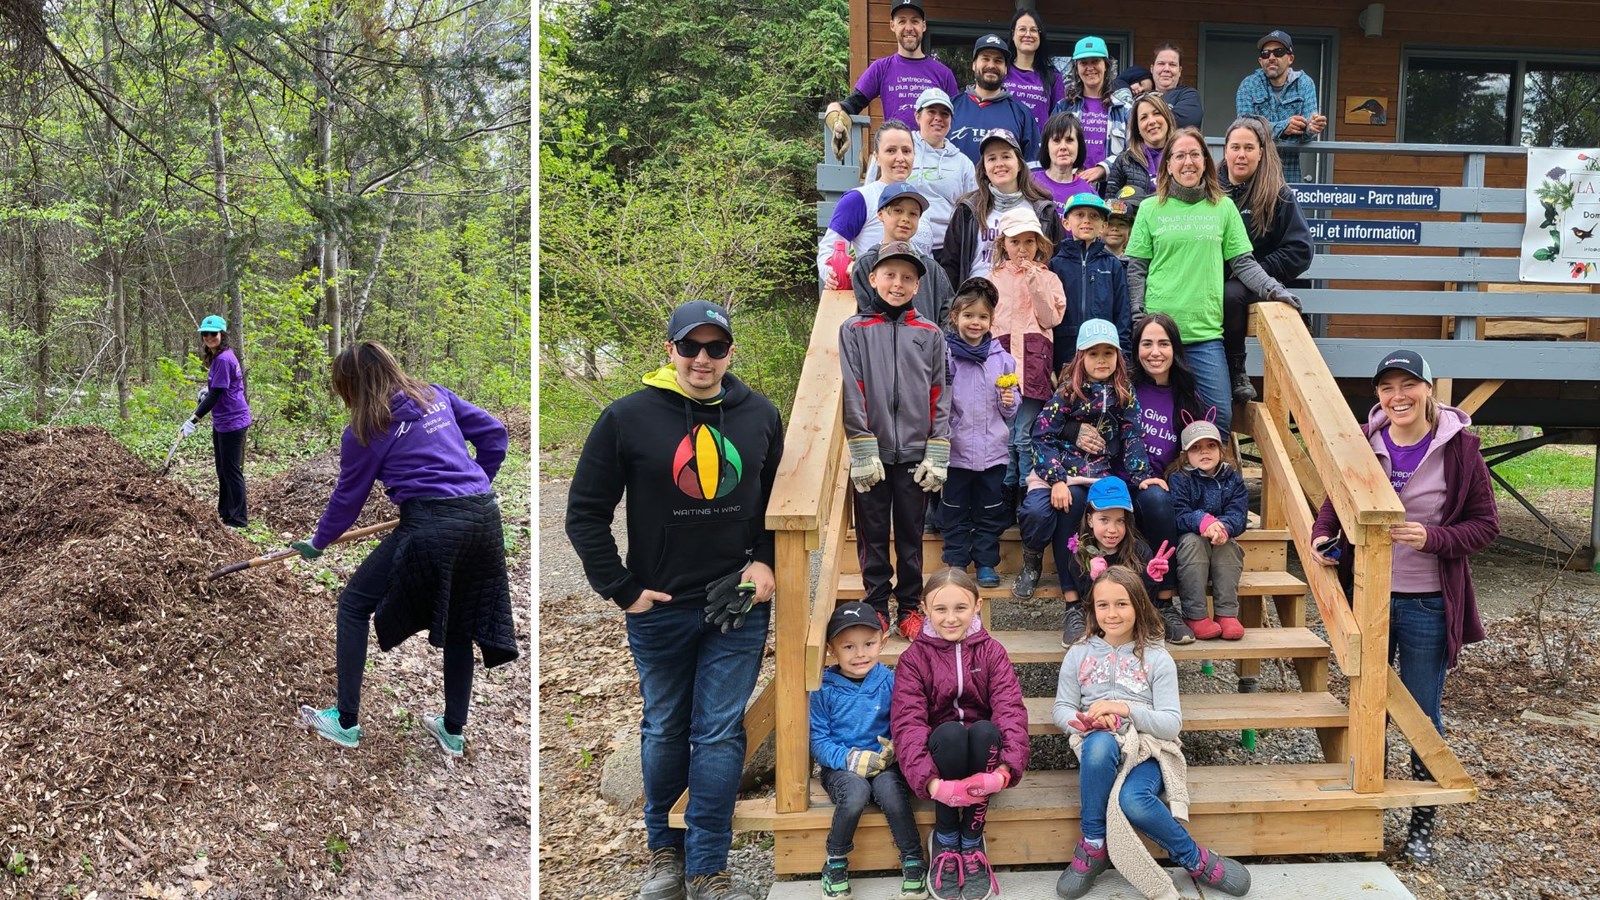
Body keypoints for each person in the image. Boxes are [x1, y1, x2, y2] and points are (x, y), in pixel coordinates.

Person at [565, 301, 783, 900]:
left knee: (717, 733)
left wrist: (765, 560)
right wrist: (621, 588)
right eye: (690, 347)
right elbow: (584, 513)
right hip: (659, 606)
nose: (702, 359)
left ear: (730, 352)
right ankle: (665, 854)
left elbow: (776, 501)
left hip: (737, 604)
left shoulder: (761, 415)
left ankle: (709, 868)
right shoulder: (627, 417)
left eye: (716, 347)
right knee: (664, 727)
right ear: (670, 350)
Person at [1309, 350, 1498, 866]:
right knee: (1365, 706)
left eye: (1408, 384)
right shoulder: (1362, 442)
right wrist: (1323, 535)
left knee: (1421, 713)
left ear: (1428, 389)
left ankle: (1421, 821)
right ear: (1378, 395)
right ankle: (1362, 812)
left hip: (1428, 604)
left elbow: (1486, 524)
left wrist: (1433, 537)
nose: (1398, 396)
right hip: (1367, 596)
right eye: (1387, 387)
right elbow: (1334, 502)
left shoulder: (1460, 449)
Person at [293, 341, 515, 753]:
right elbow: (494, 435)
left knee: (353, 604)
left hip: (432, 522)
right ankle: (452, 731)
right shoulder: (435, 396)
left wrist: (319, 541)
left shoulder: (365, 432)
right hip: (483, 517)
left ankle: (345, 722)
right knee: (460, 620)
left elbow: (348, 499)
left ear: (350, 386)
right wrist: (474, 486)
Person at [1054, 568, 1253, 899]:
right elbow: (1061, 707)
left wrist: (1126, 709)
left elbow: (1171, 723)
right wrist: (1084, 720)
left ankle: (1194, 858)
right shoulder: (1079, 653)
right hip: (1097, 748)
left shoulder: (1157, 658)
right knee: (1100, 744)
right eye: (1103, 605)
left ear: (1138, 605)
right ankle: (1093, 843)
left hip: (1147, 749)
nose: (1112, 613)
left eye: (1121, 604)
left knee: (1133, 800)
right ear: (1092, 609)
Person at [1125, 127, 1300, 435]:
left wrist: (1274, 289)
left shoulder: (1223, 207)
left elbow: (1243, 263)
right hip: (1159, 334)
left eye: (1195, 154)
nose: (1188, 162)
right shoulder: (1151, 208)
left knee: (1218, 416)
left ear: (1206, 161)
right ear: (1168, 165)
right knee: (1152, 420)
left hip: (1204, 333)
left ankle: (1205, 467)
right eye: (1180, 155)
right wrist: (1139, 316)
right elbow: (1137, 268)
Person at [890, 567, 1029, 900]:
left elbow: (1010, 711)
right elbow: (908, 724)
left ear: (977, 606)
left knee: (985, 730)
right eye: (940, 609)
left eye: (960, 608)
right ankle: (946, 838)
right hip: (942, 759)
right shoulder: (914, 659)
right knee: (950, 733)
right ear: (925, 608)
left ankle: (972, 837)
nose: (951, 618)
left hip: (985, 759)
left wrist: (1004, 771)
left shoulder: (992, 652)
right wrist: (932, 784)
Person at [842, 241, 951, 639]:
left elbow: (940, 391)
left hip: (915, 454)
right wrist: (861, 446)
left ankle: (908, 605)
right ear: (873, 278)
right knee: (872, 532)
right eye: (890, 275)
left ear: (918, 285)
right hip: (872, 452)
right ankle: (875, 604)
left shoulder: (930, 333)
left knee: (910, 533)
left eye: (907, 277)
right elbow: (853, 387)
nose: (898, 284)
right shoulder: (854, 329)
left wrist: (938, 449)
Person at [1014, 320, 1157, 601]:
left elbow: (1132, 436)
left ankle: (1103, 580)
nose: (1101, 360)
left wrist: (1141, 476)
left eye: (1108, 353)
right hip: (1056, 471)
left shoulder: (1124, 394)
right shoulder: (1068, 392)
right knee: (1036, 512)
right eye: (1093, 353)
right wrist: (1056, 480)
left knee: (1101, 512)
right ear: (1081, 356)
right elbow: (1042, 435)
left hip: (1097, 474)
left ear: (1118, 356)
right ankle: (1032, 559)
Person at [811, 601, 927, 900]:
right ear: (831, 650)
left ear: (882, 643)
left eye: (868, 644)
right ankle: (835, 861)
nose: (860, 653)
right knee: (856, 793)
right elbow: (819, 740)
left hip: (885, 762)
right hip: (842, 767)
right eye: (848, 646)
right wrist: (848, 758)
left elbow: (907, 721)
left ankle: (913, 859)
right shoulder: (823, 689)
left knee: (891, 790)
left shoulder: (891, 681)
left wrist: (897, 749)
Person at [1220, 115, 1314, 403]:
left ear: (1261, 153)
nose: (1241, 154)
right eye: (1235, 147)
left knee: (1231, 293)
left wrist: (1259, 271)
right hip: (1210, 277)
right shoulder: (1208, 192)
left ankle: (1236, 370)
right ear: (1225, 150)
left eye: (1249, 148)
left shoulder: (1278, 194)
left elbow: (1300, 249)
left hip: (1255, 283)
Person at [1127, 313, 1205, 644]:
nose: (1155, 352)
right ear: (1136, 349)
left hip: (1160, 490)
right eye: (1147, 344)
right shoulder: (1123, 387)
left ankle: (1165, 602)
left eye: (1163, 343)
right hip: (1119, 483)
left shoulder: (1186, 397)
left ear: (1175, 349)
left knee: (1160, 499)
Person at [986, 204, 1065, 516]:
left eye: (1029, 241)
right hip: (1003, 364)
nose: (1022, 248)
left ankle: (1026, 489)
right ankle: (1005, 492)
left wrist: (1035, 285)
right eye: (1015, 241)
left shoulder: (1049, 277)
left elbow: (1050, 318)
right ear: (1003, 243)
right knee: (1005, 433)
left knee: (1025, 433)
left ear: (1038, 243)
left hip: (1034, 364)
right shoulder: (994, 278)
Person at [940, 278, 1016, 589]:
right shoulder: (945, 356)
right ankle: (957, 562)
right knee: (954, 509)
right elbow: (938, 400)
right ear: (954, 316)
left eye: (983, 317)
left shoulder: (1001, 358)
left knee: (989, 511)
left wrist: (1009, 400)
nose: (976, 322)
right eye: (968, 315)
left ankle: (986, 562)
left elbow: (1011, 409)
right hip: (955, 452)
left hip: (992, 452)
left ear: (991, 320)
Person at [1057, 478, 1176, 647]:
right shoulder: (1082, 553)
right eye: (1104, 520)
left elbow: (1145, 598)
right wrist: (1093, 579)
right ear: (1090, 520)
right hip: (1100, 620)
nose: (1112, 530)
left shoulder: (1139, 551)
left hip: (1132, 619)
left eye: (1120, 521)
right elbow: (1085, 601)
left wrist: (1150, 577)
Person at [938, 128, 1064, 286]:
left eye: (1006, 156)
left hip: (1026, 296)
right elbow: (950, 265)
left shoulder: (1044, 211)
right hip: (976, 296)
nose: (999, 164)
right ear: (984, 168)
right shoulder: (967, 209)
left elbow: (1058, 262)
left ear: (1019, 164)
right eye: (991, 158)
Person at [867, 88, 978, 254]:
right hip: (897, 243)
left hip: (947, 248)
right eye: (931, 111)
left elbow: (973, 210)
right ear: (917, 116)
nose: (938, 118)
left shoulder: (963, 163)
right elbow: (870, 193)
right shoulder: (899, 148)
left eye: (945, 114)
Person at [1169, 415, 1249, 641]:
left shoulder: (1232, 479)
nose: (1204, 452)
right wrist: (1203, 521)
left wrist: (1223, 527)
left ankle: (1226, 613)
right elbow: (1178, 513)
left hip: (1220, 539)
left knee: (1230, 547)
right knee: (1193, 543)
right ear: (1185, 454)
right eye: (1196, 448)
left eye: (1211, 446)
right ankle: (1195, 615)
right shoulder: (1179, 478)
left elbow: (1238, 514)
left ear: (1221, 450)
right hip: (1191, 541)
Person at [820, 121, 928, 289]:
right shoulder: (859, 199)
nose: (900, 158)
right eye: (891, 150)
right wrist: (833, 275)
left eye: (906, 151)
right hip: (873, 296)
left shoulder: (920, 201)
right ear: (877, 157)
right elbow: (830, 250)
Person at [825, 0, 958, 129]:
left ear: (923, 26)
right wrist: (834, 110)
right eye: (902, 21)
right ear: (892, 25)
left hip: (933, 145)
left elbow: (957, 119)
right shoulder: (880, 68)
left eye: (915, 21)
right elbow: (853, 103)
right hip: (895, 144)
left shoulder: (944, 74)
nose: (909, 28)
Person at [181, 315, 252, 528]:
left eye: (214, 333)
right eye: (205, 334)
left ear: (222, 334)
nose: (209, 337)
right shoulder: (218, 356)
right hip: (222, 420)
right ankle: (225, 514)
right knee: (222, 469)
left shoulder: (223, 358)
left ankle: (238, 520)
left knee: (231, 470)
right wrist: (208, 389)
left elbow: (216, 395)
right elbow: (220, 386)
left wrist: (193, 419)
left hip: (233, 420)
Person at [850, 182, 955, 326]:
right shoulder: (866, 264)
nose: (905, 219)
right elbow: (864, 317)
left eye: (913, 214)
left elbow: (949, 318)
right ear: (880, 214)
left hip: (926, 340)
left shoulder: (933, 269)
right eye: (898, 211)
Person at [1049, 193, 1130, 370]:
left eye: (1094, 216)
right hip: (1064, 353)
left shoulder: (1113, 265)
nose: (1086, 220)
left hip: (1102, 352)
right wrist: (1048, 365)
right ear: (1066, 223)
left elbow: (1122, 315)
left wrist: (1123, 359)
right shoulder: (1055, 265)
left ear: (1104, 226)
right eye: (1080, 215)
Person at [1235, 30, 1325, 184]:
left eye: (1278, 52)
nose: (1271, 57)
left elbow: (1306, 132)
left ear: (1290, 58)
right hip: (1254, 172)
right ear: (1260, 61)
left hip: (1288, 172)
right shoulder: (1248, 84)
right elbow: (1245, 128)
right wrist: (1283, 127)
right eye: (1265, 54)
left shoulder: (1305, 83)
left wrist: (1312, 128)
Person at [1050, 36, 1130, 189]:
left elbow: (1133, 152)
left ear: (1106, 66)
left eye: (1095, 61)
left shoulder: (1124, 109)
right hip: (1070, 186)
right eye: (1084, 63)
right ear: (1076, 68)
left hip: (1112, 191)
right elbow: (1050, 146)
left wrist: (1103, 168)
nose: (1090, 67)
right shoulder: (1063, 107)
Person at [949, 34, 1041, 167]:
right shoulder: (951, 108)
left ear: (1006, 69)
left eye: (998, 61)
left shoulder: (1021, 113)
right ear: (974, 65)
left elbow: (1032, 167)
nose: (991, 65)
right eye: (985, 59)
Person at [1001, 9, 1064, 138]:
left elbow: (1059, 121)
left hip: (1039, 148)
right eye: (1022, 29)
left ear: (1040, 36)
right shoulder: (1001, 70)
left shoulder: (1053, 76)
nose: (1028, 34)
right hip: (1004, 146)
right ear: (1013, 34)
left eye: (1034, 30)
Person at [1103, 93, 1176, 202]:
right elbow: (1110, 204)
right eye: (1144, 117)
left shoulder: (1183, 157)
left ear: (1167, 119)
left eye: (1157, 113)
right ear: (1137, 128)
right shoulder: (1124, 161)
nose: (1151, 121)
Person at [1033, 111, 1097, 216]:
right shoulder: (1029, 183)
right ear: (1046, 147)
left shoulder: (1089, 194)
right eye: (1056, 140)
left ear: (1079, 146)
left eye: (1069, 140)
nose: (1063, 147)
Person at [1150, 43, 1203, 129]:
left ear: (1180, 71)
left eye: (1172, 64)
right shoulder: (1142, 97)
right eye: (1161, 63)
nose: (1166, 69)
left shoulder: (1189, 95)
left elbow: (1184, 123)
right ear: (1152, 69)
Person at [1101, 187, 1145, 259]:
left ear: (1130, 230)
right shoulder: (1089, 258)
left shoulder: (1135, 260)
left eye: (1121, 224)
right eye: (1109, 224)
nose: (1115, 228)